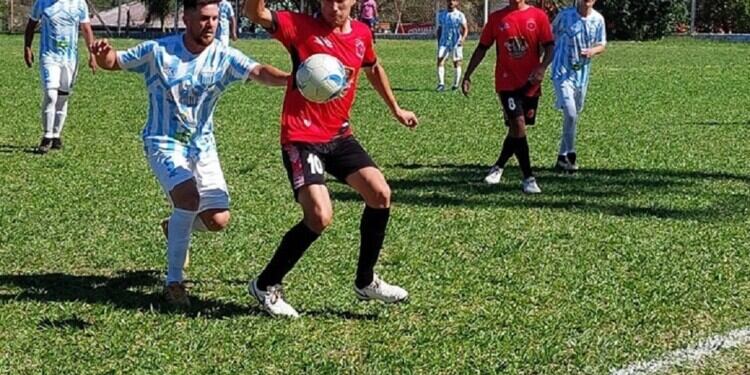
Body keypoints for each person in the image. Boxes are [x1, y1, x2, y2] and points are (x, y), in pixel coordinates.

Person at [89, 0, 289, 307]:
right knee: (188, 199)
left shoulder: (223, 56)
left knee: (218, 219)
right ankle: (174, 283)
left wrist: (291, 79)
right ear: (186, 17)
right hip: (163, 141)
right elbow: (115, 61)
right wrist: (104, 55)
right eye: (204, 18)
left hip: (202, 146)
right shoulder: (159, 51)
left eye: (215, 19)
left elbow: (259, 71)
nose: (211, 25)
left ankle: (175, 227)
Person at [245, 0, 419, 318]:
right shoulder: (299, 27)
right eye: (326, 0)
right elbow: (254, 14)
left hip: (339, 137)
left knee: (380, 194)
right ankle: (266, 284)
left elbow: (373, 68)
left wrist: (396, 109)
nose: (333, 6)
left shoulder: (363, 34)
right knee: (319, 216)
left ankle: (366, 282)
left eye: (340, 0)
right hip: (301, 137)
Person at [461, 0, 554, 194]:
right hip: (506, 83)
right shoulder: (496, 19)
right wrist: (468, 74)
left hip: (530, 84)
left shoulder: (538, 16)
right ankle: (529, 178)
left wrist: (542, 67)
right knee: (518, 125)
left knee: (516, 130)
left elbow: (550, 47)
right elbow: (482, 48)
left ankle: (498, 167)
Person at [24, 0, 96, 154]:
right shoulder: (42, 3)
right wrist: (27, 48)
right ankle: (47, 136)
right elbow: (31, 25)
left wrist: (92, 54)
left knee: (63, 96)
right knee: (50, 94)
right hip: (49, 56)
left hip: (70, 59)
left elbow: (86, 29)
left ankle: (56, 135)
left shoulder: (79, 4)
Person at [550, 0, 606, 172]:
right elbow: (550, 36)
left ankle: (562, 156)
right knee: (571, 112)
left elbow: (602, 44)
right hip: (562, 72)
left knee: (572, 115)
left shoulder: (598, 19)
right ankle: (571, 154)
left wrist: (592, 51)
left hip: (581, 75)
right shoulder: (565, 16)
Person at [435, 0, 467, 92]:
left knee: (456, 62)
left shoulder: (460, 15)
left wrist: (463, 39)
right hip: (444, 41)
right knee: (440, 59)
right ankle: (441, 84)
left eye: (453, 1)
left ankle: (456, 85)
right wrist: (439, 41)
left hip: (456, 41)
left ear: (457, 3)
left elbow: (465, 29)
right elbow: (440, 29)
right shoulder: (441, 14)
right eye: (449, 1)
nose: (451, 2)